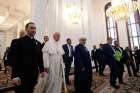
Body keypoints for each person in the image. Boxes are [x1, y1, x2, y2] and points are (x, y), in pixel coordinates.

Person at [11, 22, 45, 93]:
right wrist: (15, 76)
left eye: (35, 28)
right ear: (26, 29)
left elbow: (39, 58)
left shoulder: (38, 43)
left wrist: (42, 70)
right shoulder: (18, 42)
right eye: (31, 28)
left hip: (33, 75)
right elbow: (14, 60)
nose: (34, 30)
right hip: (21, 75)